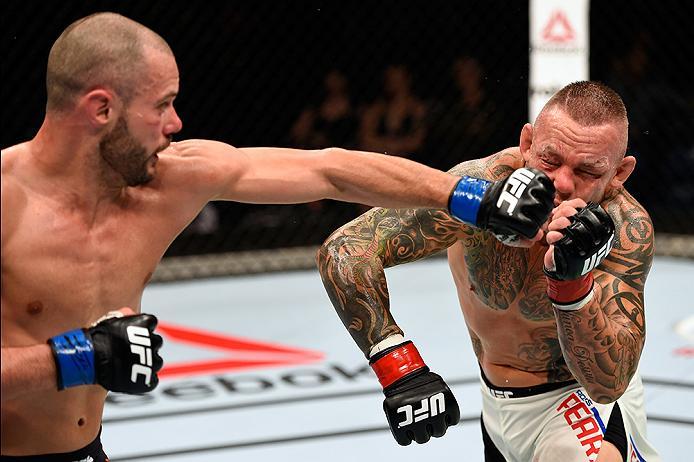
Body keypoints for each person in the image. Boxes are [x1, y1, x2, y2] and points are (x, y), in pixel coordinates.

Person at [0, 12, 543, 460]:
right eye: (161, 104)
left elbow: (330, 170)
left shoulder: (166, 180)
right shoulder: (7, 204)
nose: (175, 123)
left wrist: (472, 198)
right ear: (101, 109)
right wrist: (72, 358)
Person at [317, 81, 661, 461]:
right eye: (550, 160)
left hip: (576, 401)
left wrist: (573, 286)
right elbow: (346, 250)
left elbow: (609, 384)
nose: (562, 183)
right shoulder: (477, 192)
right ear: (527, 143)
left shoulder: (625, 229)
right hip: (495, 404)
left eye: (587, 170)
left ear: (619, 173)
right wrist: (399, 366)